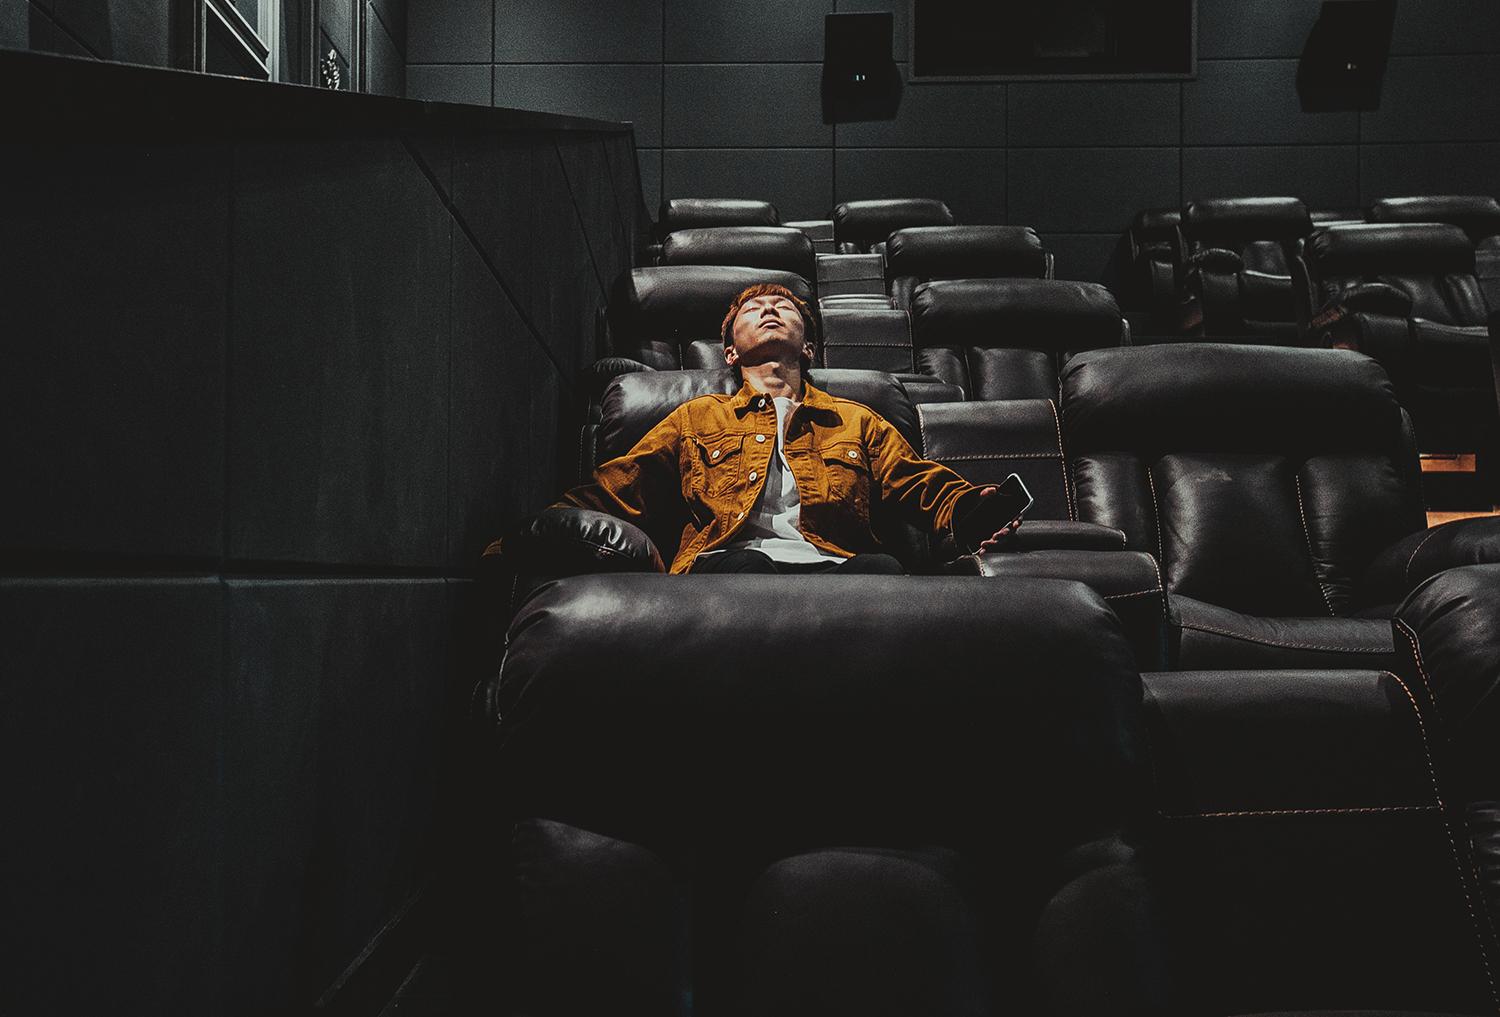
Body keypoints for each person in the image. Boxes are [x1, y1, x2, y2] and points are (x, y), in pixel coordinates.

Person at [554, 283, 1021, 575]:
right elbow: (620, 486)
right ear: (730, 352)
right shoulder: (697, 417)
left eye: (783, 306)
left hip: (840, 567)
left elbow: (919, 483)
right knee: (747, 565)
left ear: (809, 349)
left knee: (882, 569)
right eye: (753, 308)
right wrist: (542, 529)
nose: (770, 309)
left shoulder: (855, 419)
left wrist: (970, 509)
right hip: (729, 566)